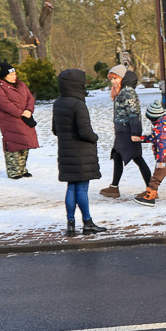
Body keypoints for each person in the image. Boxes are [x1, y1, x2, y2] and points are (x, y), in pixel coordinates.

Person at [51, 68, 106, 236]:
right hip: (81, 154)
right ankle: (88, 222)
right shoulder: (78, 104)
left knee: (71, 187)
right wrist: (95, 137)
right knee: (82, 189)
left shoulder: (58, 103)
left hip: (66, 153)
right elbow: (85, 132)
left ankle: (70, 223)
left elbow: (55, 130)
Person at [100, 65, 151, 198]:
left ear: (122, 77)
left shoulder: (127, 92)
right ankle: (114, 187)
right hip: (122, 131)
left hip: (128, 131)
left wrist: (135, 133)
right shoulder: (123, 91)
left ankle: (151, 189)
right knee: (117, 156)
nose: (113, 82)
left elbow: (133, 113)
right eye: (111, 79)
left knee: (137, 158)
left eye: (116, 78)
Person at [0, 62, 37, 179]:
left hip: (25, 117)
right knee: (12, 144)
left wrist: (29, 110)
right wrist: (19, 112)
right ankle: (13, 171)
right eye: (10, 75)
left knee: (25, 142)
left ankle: (22, 169)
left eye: (15, 74)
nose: (14, 77)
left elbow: (30, 97)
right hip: (10, 119)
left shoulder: (20, 84)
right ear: (3, 76)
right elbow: (3, 103)